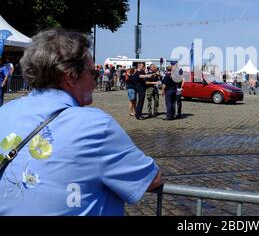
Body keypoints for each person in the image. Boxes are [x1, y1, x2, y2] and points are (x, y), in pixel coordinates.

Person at [0, 29, 162, 215]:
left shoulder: (4, 112)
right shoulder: (95, 125)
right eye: (92, 73)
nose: (94, 83)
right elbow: (151, 179)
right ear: (70, 76)